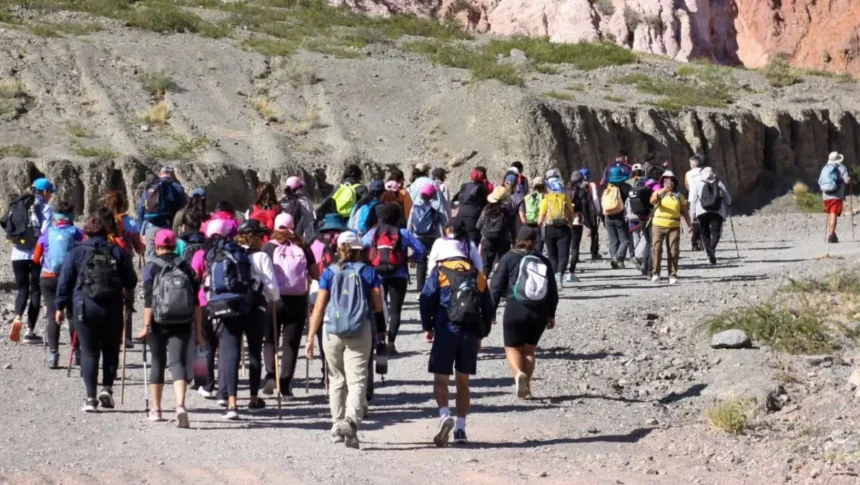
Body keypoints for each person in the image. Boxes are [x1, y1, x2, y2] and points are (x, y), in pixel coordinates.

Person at [305, 231, 386, 449]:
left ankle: (336, 425)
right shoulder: (369, 272)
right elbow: (378, 306)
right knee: (357, 379)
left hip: (332, 330)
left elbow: (320, 307)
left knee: (336, 379)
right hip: (360, 329)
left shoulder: (329, 273)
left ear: (338, 249)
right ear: (361, 250)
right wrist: (381, 330)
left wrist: (311, 337)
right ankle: (351, 421)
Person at [55, 216, 138, 412]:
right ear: (106, 232)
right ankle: (107, 388)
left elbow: (65, 281)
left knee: (89, 351)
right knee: (110, 350)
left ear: (86, 233)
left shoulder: (76, 252)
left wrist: (59, 307)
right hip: (112, 308)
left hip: (84, 307)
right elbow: (131, 281)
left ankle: (90, 398)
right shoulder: (117, 251)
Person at [420, 235, 495, 446]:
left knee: (441, 379)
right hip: (470, 331)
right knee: (463, 382)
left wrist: (428, 327)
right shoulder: (477, 276)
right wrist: (482, 334)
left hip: (446, 329)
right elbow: (488, 309)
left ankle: (445, 415)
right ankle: (461, 428)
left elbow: (426, 300)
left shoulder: (439, 272)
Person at [213, 219, 280, 418]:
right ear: (256, 237)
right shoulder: (261, 257)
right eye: (261, 235)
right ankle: (253, 399)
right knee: (254, 353)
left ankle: (232, 404)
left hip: (229, 306)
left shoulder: (225, 254)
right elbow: (274, 292)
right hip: (255, 309)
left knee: (231, 355)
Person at [138, 229, 204, 426]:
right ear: (175, 246)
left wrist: (145, 326)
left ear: (157, 246)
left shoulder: (151, 267)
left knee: (157, 361)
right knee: (178, 363)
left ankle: (156, 410)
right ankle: (181, 406)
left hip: (158, 321)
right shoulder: (186, 266)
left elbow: (149, 301)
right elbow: (196, 303)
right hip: (183, 320)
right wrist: (199, 332)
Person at [491, 227, 558, 399]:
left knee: (512, 347)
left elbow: (496, 287)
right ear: (535, 241)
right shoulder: (543, 260)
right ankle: (526, 387)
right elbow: (552, 291)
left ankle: (518, 374)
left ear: (517, 239)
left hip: (515, 308)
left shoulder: (508, 258)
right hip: (538, 312)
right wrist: (551, 314)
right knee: (529, 350)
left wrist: (490, 311)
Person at [262, 213, 319, 398]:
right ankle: (285, 386)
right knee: (291, 344)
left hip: (273, 299)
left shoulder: (268, 248)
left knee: (270, 340)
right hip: (297, 300)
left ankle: (271, 373)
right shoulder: (302, 246)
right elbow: (315, 273)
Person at [362, 204, 426, 355]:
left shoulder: (372, 233)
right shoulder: (403, 233)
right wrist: (410, 258)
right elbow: (421, 250)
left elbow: (360, 246)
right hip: (399, 274)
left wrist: (368, 262)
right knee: (395, 310)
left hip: (377, 275)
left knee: (379, 309)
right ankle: (391, 343)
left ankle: (380, 341)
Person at [189, 217, 236, 400]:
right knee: (224, 346)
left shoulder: (201, 254)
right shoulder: (230, 253)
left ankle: (204, 383)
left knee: (203, 343)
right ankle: (224, 389)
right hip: (226, 303)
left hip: (204, 302)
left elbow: (194, 278)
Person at [33, 200, 83, 368]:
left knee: (52, 316)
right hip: (71, 278)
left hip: (48, 278)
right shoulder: (77, 232)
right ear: (72, 216)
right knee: (72, 315)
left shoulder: (47, 232)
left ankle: (53, 355)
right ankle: (77, 352)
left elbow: (35, 257)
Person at [7, 177, 54, 343]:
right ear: (45, 192)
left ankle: (17, 317)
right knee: (35, 291)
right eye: (50, 193)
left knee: (21, 290)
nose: (51, 196)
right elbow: (45, 233)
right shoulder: (46, 209)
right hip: (36, 255)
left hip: (17, 254)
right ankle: (29, 331)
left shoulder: (18, 204)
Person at [104, 191, 145, 349]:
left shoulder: (103, 221)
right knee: (127, 302)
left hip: (106, 266)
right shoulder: (131, 223)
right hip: (125, 265)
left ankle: (109, 333)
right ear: (123, 203)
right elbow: (138, 247)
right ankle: (126, 337)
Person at [650, 171, 693, 285]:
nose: (668, 183)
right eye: (665, 180)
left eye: (670, 181)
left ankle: (672, 274)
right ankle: (656, 273)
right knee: (657, 249)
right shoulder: (658, 193)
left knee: (673, 251)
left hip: (674, 226)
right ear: (662, 182)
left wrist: (690, 225)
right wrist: (663, 191)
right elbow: (652, 201)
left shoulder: (679, 196)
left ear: (674, 182)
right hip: (658, 225)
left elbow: (684, 212)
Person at [137, 166, 187, 262]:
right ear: (173, 175)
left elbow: (141, 210)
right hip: (169, 227)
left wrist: (141, 231)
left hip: (150, 226)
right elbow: (183, 209)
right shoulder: (177, 187)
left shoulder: (150, 188)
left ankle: (151, 275)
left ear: (160, 175)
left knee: (151, 258)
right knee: (169, 256)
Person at [409, 184, 448, 293]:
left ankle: (419, 291)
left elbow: (410, 223)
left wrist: (410, 239)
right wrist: (446, 237)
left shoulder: (415, 205)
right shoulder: (437, 204)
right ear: (433, 194)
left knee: (421, 264)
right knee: (435, 262)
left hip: (418, 238)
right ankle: (434, 287)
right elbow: (445, 223)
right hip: (433, 237)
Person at [690, 167, 732, 264]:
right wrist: (728, 204)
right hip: (717, 211)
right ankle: (712, 249)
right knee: (716, 231)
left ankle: (708, 252)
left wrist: (693, 215)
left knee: (705, 231)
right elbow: (728, 199)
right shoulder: (718, 182)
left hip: (701, 211)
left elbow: (692, 201)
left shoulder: (696, 184)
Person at [537, 176, 574, 285]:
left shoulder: (546, 199)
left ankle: (554, 279)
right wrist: (569, 222)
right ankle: (559, 275)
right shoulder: (565, 197)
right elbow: (572, 215)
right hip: (564, 228)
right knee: (563, 256)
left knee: (552, 255)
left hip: (550, 229)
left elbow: (540, 220)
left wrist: (542, 227)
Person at [477, 187, 515, 275]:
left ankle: (482, 287)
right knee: (504, 266)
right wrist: (514, 240)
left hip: (487, 240)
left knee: (486, 267)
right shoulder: (507, 210)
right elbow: (512, 227)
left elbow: (478, 225)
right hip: (503, 240)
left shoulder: (486, 209)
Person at [602, 166, 632, 269]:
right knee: (625, 240)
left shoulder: (608, 188)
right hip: (620, 216)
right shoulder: (626, 187)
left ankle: (617, 263)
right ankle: (617, 258)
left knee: (613, 240)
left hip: (608, 216)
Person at [566, 172, 593, 283]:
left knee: (565, 246)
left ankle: (559, 271)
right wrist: (588, 225)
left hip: (565, 219)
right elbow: (584, 208)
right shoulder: (581, 191)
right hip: (577, 219)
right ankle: (571, 272)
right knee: (575, 247)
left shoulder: (565, 190)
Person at [819, 152, 852, 243]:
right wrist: (850, 180)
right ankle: (831, 235)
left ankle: (832, 235)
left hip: (825, 195)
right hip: (836, 195)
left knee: (830, 214)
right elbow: (846, 180)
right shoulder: (841, 167)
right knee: (833, 214)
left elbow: (819, 181)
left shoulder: (825, 168)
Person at [452, 168, 490, 245]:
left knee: (460, 237)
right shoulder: (481, 187)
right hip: (473, 216)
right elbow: (485, 202)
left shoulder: (464, 186)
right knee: (473, 240)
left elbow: (456, 198)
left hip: (461, 214)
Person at [281, 176, 317, 242]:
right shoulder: (303, 200)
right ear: (298, 188)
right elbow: (311, 217)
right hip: (299, 235)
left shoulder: (283, 200)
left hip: (283, 234)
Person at [579, 168, 602, 260]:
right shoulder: (591, 185)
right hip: (590, 211)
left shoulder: (575, 186)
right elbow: (595, 198)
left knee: (578, 233)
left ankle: (575, 254)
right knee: (594, 232)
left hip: (578, 211)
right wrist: (598, 210)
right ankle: (594, 252)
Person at [519, 177, 545, 254]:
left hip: (528, 223)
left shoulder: (526, 197)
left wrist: (524, 223)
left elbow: (522, 212)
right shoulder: (544, 196)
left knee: (528, 244)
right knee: (539, 244)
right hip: (539, 223)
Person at [685, 155, 704, 251]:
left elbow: (687, 186)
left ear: (692, 164)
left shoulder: (688, 174)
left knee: (694, 221)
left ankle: (694, 242)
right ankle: (703, 241)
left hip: (693, 199)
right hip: (704, 199)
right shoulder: (704, 172)